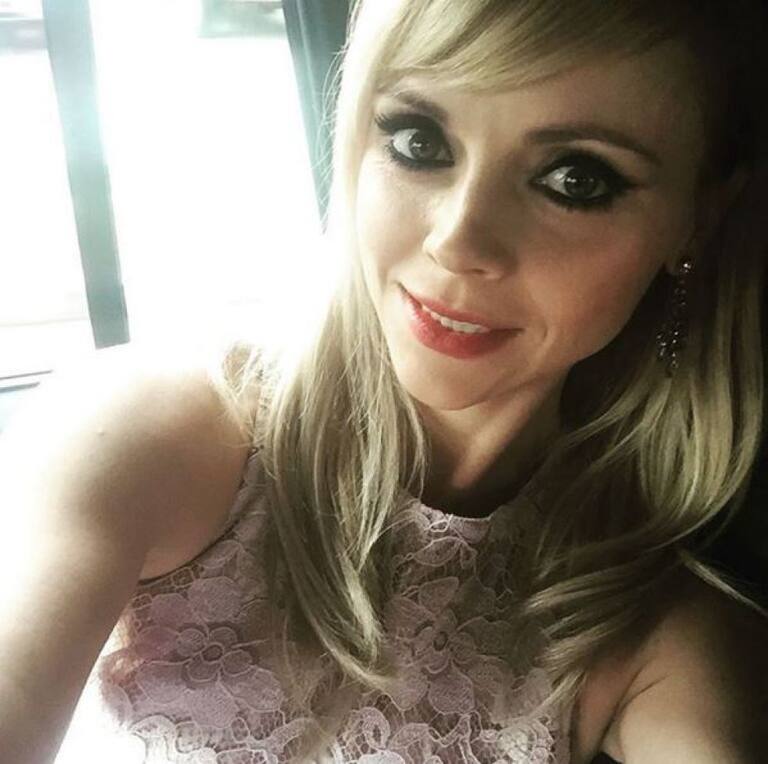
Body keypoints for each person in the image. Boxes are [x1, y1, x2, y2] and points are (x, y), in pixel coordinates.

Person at [1, 0, 767, 761]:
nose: (456, 240)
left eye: (575, 180)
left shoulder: (653, 629)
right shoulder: (146, 436)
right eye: (418, 141)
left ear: (696, 219)